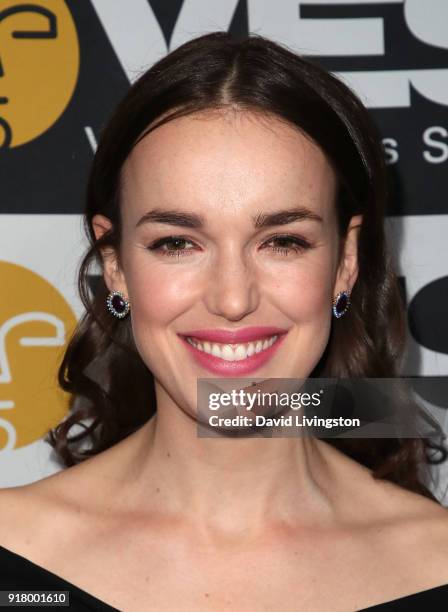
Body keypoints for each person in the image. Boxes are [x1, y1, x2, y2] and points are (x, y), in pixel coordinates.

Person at [1, 31, 448, 612]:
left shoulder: (434, 564)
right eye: (178, 243)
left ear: (345, 261)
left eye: (283, 241)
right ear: (115, 266)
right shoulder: (16, 557)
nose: (233, 298)